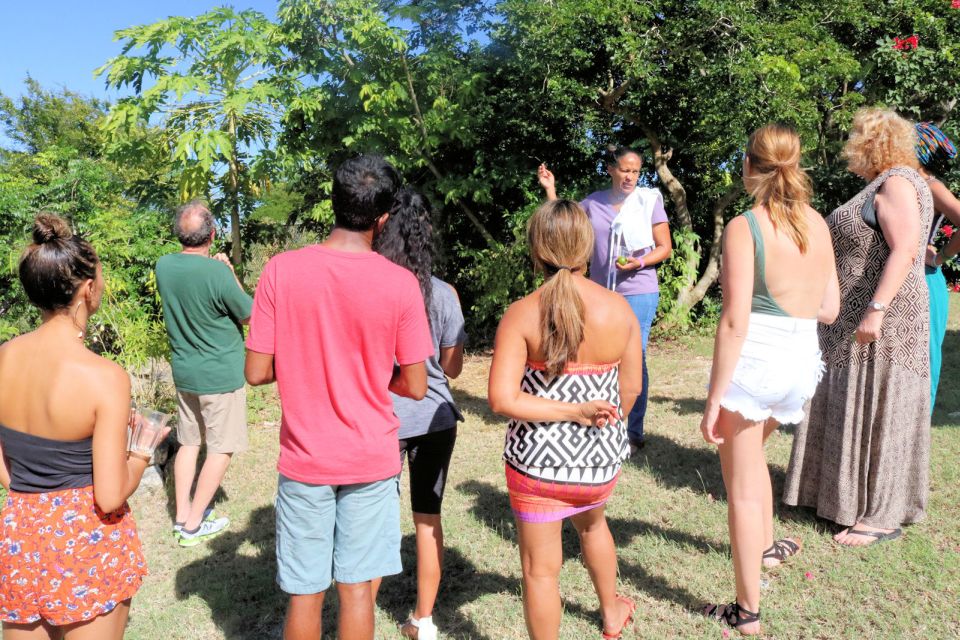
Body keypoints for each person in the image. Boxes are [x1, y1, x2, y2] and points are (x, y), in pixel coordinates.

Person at [245, 155, 433, 640]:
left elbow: (256, 372)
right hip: (370, 457)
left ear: (334, 203)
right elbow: (415, 384)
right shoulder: (400, 284)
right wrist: (372, 376)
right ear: (384, 217)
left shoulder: (280, 271)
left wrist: (305, 364)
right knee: (355, 590)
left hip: (305, 458)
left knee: (305, 593)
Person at [699, 125, 839, 635]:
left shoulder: (745, 225)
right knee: (753, 458)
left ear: (748, 165)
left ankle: (746, 610)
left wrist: (714, 398)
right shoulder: (818, 224)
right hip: (802, 362)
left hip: (756, 362)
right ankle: (766, 548)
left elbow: (734, 320)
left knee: (741, 488)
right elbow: (830, 309)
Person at [0, 213, 162, 638]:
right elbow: (108, 496)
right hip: (87, 543)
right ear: (87, 289)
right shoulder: (103, 376)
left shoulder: (5, 358)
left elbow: (6, 469)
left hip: (22, 535)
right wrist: (142, 450)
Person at [488, 199, 644, 640]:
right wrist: (588, 421)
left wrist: (564, 412)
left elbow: (501, 399)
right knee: (594, 527)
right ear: (587, 246)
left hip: (536, 466)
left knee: (541, 572)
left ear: (537, 249)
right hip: (597, 463)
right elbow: (629, 390)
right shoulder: (619, 309)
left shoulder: (521, 313)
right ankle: (612, 612)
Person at [784, 108, 934, 547]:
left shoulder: (898, 182)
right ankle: (837, 497)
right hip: (851, 316)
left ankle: (880, 515)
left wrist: (876, 309)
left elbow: (906, 248)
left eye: (854, 136)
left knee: (882, 401)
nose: (848, 144)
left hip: (883, 317)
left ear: (870, 141)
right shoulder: (885, 183)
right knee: (853, 398)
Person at [371, 188, 467, 640]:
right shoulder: (445, 293)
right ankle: (423, 620)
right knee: (427, 518)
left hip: (382, 418)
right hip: (435, 418)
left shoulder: (372, 288)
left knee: (374, 520)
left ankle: (361, 616)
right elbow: (450, 368)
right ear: (426, 232)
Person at [538, 147, 671, 453]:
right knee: (594, 354)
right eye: (625, 170)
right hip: (597, 290)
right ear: (611, 169)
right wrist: (551, 190)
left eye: (636, 171)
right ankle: (597, 419)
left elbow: (665, 247)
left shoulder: (649, 201)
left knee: (634, 356)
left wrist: (638, 263)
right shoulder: (592, 203)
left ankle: (633, 431)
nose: (630, 177)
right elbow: (565, 225)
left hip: (639, 289)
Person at [155, 201, 252, 547]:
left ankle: (181, 515)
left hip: (185, 373)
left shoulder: (164, 266)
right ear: (212, 234)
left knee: (189, 443)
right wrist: (229, 271)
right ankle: (194, 525)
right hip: (220, 375)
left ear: (179, 234)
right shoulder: (217, 273)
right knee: (221, 449)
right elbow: (248, 314)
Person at [915, 122, 960, 412]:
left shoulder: (931, 186)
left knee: (924, 359)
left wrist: (941, 256)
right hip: (904, 280)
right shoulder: (899, 182)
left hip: (926, 279)